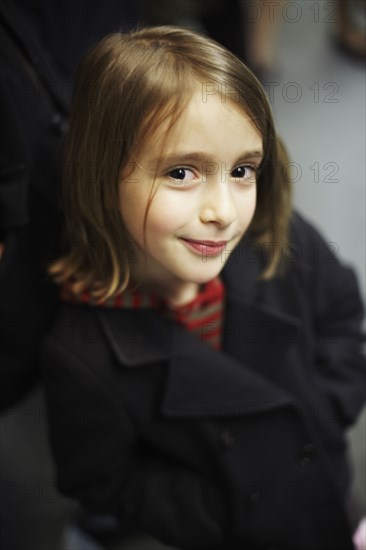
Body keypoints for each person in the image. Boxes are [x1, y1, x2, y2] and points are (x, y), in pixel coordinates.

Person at [40, 26, 366, 549]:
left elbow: (342, 317)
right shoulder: (81, 355)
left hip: (322, 486)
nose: (222, 212)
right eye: (182, 172)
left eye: (242, 170)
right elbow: (102, 481)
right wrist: (219, 509)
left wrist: (321, 414)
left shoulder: (277, 241)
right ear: (101, 176)